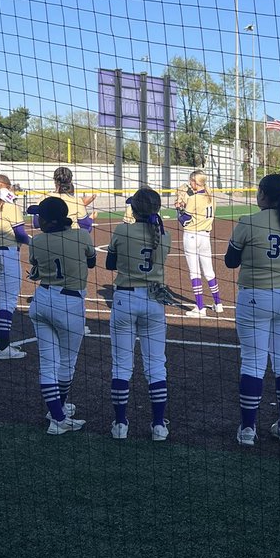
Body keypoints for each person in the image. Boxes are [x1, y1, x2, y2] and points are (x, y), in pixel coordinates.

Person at [224, 173, 280, 446]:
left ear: (262, 194)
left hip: (254, 298)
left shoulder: (248, 222)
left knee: (253, 362)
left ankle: (248, 429)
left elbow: (230, 262)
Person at [105, 187, 171, 441]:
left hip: (125, 298)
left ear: (133, 209)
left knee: (121, 366)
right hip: (154, 301)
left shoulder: (122, 231)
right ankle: (158, 426)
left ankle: (120, 424)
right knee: (156, 365)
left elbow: (110, 264)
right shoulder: (164, 236)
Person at [28, 196, 96, 435]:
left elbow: (36, 270)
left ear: (49, 220)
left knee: (48, 363)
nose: (37, 219)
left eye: (40, 216)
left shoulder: (37, 241)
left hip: (41, 300)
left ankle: (57, 411)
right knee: (66, 362)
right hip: (69, 303)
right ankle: (58, 417)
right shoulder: (82, 235)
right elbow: (91, 262)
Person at [0, 174, 30, 360]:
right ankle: (3, 348)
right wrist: (35, 243)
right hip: (7, 255)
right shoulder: (11, 207)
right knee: (8, 302)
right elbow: (20, 234)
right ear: (7, 187)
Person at [175, 170, 224, 317]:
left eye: (191, 181)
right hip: (205, 237)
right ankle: (218, 304)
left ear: (195, 182)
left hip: (191, 236)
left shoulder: (194, 199)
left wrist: (178, 208)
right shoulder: (211, 197)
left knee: (195, 272)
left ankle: (200, 308)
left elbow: (184, 220)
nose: (190, 184)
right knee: (209, 271)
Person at [27, 167, 94, 232]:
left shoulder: (45, 197)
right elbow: (86, 228)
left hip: (49, 237)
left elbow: (36, 223)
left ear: (54, 180)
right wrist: (91, 218)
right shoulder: (76, 201)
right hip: (71, 236)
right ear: (71, 181)